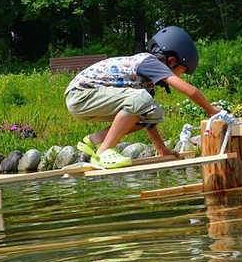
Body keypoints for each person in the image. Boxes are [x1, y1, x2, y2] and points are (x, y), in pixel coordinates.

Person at [65, 26, 221, 169]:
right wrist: (210, 109)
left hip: (88, 99)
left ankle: (93, 140)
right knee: (144, 101)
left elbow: (149, 122)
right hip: (81, 94)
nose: (181, 76)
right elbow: (190, 91)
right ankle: (104, 151)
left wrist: (162, 149)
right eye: (182, 71)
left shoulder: (146, 85)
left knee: (152, 112)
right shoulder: (149, 62)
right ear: (171, 60)